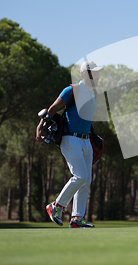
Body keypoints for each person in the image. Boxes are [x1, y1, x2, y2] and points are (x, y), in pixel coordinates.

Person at [36, 61, 103, 228]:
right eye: (93, 73)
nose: (97, 76)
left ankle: (77, 219)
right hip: (70, 139)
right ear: (84, 74)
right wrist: (39, 127)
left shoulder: (94, 93)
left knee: (86, 180)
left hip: (85, 140)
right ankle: (56, 206)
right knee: (79, 176)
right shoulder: (71, 90)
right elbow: (51, 109)